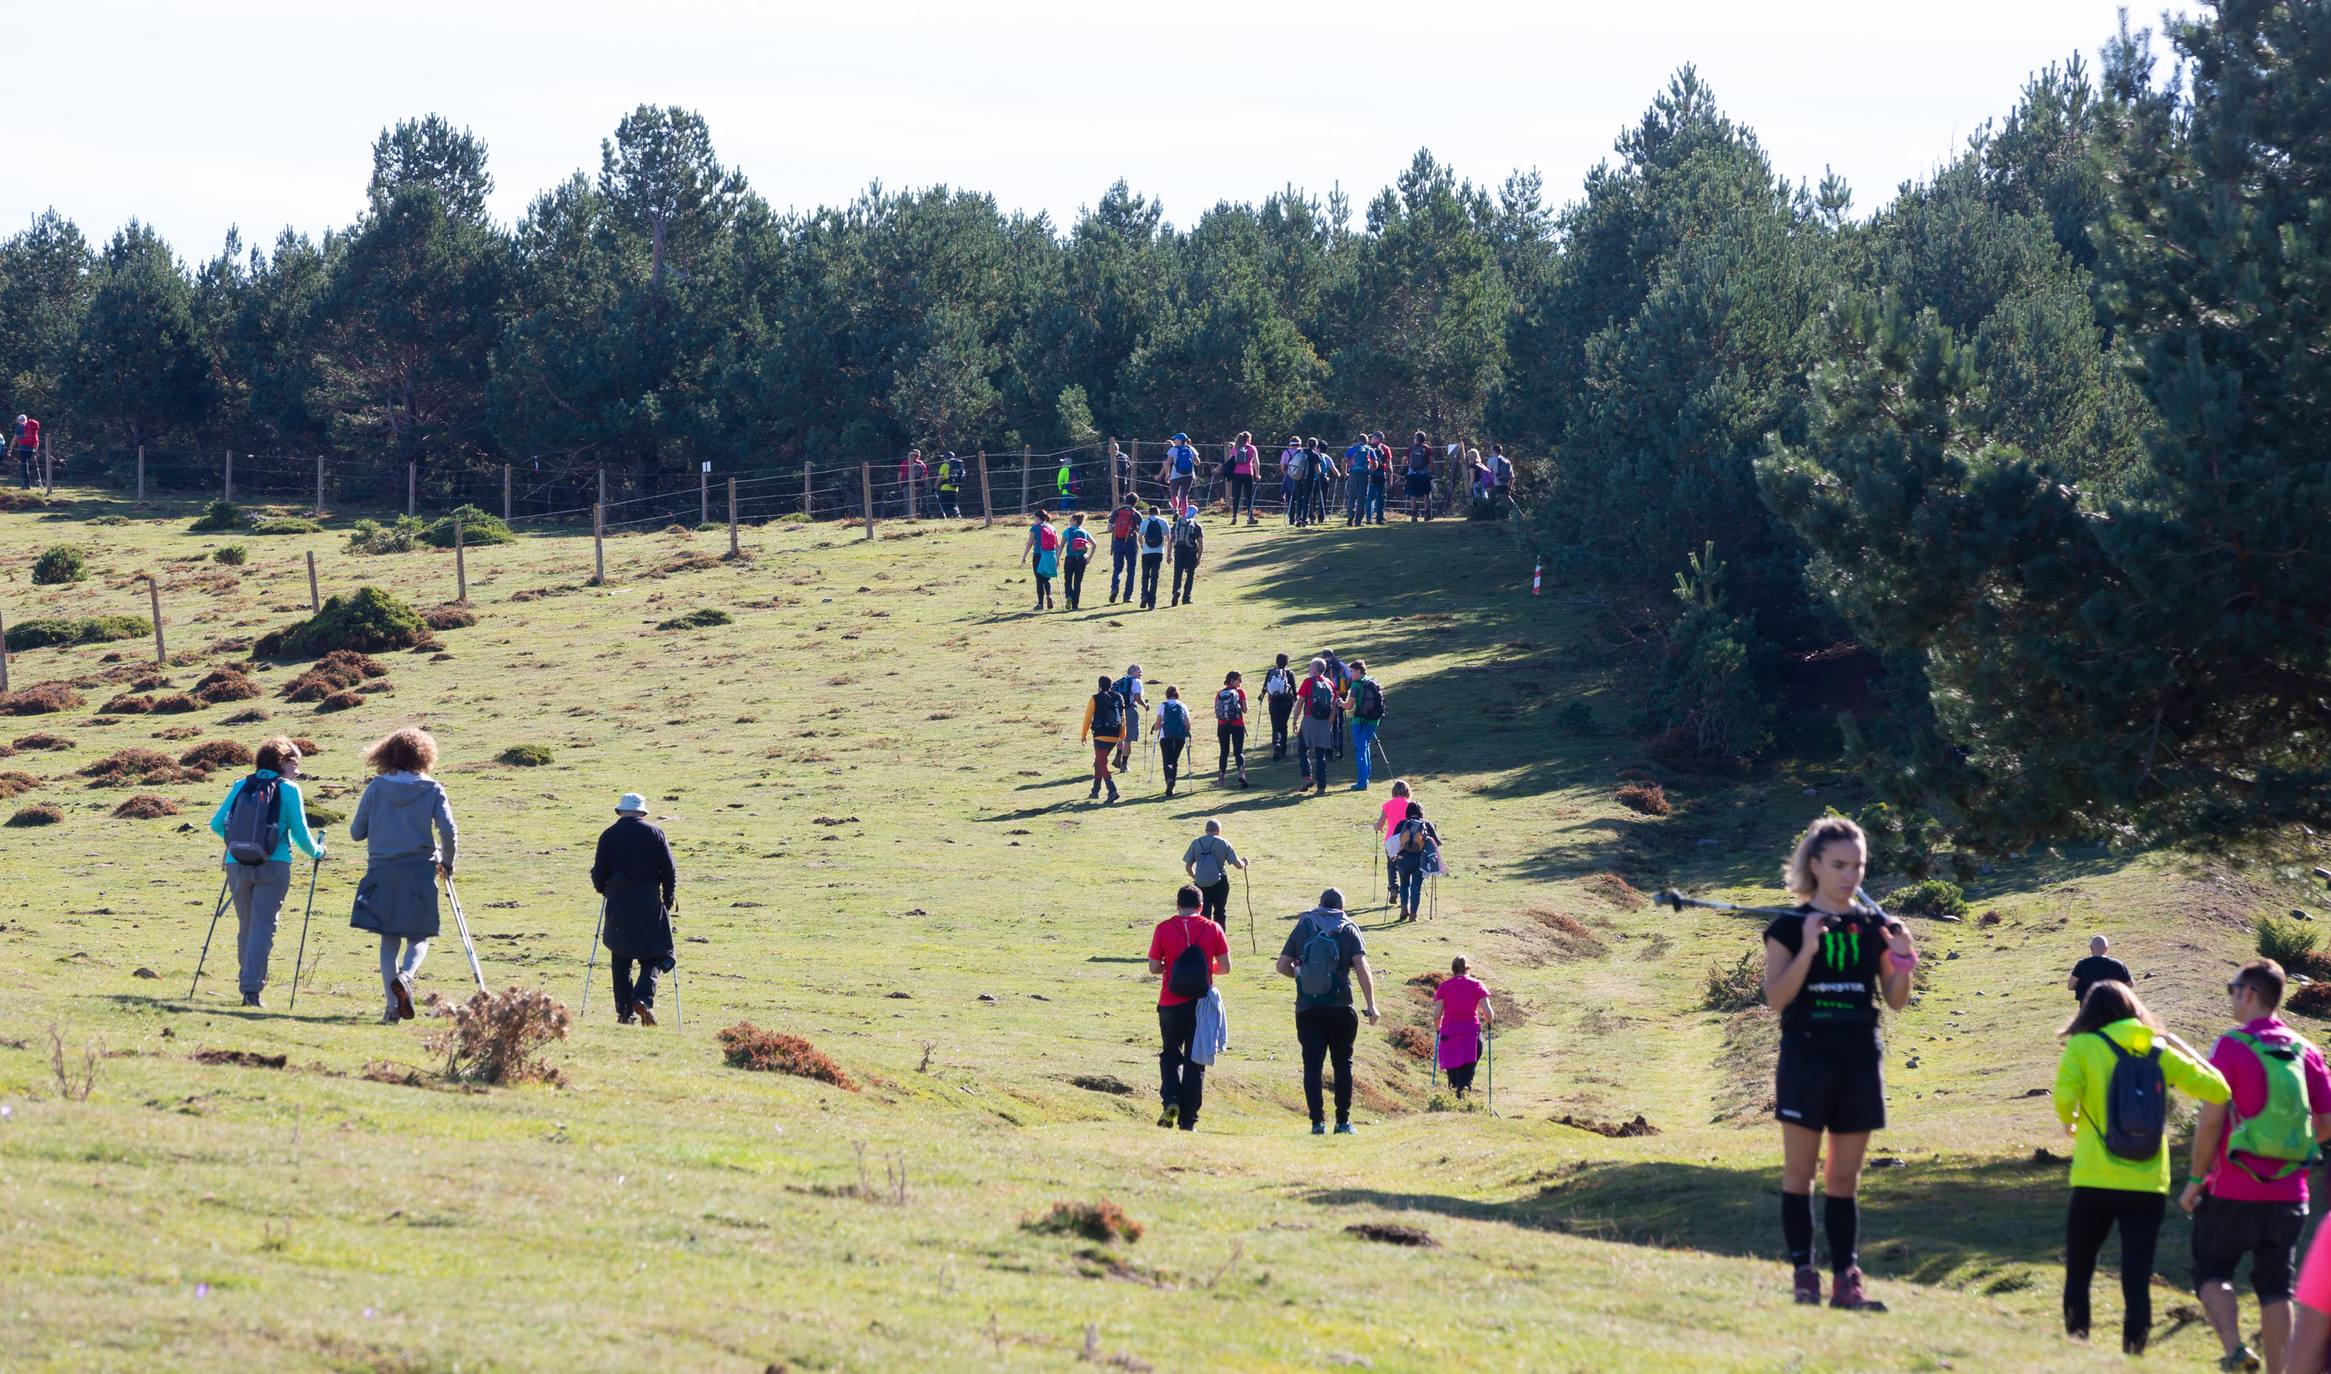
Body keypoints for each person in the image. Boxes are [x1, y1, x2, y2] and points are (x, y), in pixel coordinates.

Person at [1761, 814, 1915, 1310]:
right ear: (1815, 864)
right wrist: (1808, 947)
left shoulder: (1874, 927)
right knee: (1799, 1172)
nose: (1851, 876)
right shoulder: (1787, 927)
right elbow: (1776, 998)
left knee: (1844, 1178)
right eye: (1840, 865)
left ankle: (1847, 1279)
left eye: (1859, 866)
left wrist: (1904, 957)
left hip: (1858, 1057)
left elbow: (1894, 999)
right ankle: (1804, 1274)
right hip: (1807, 1055)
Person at [2053, 980, 2230, 1356]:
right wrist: (2183, 1051)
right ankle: (2134, 1355)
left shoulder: (2083, 1046)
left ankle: (2076, 1345)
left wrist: (2070, 1121)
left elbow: (2065, 1096)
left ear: (2089, 1013)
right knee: (2137, 1275)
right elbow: (2219, 1091)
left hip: (2093, 1177)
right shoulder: (2157, 1049)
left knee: (2080, 1268)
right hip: (2148, 1181)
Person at [2182, 959, 2331, 1373]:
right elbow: (2326, 1123)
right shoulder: (2308, 1051)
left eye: (2233, 988)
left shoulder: (2230, 1046)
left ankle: (2234, 1350)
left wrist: (2196, 1180)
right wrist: (2287, 1146)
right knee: (2276, 1287)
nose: (2231, 996)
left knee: (2212, 1273)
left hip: (2231, 1187)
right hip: (2289, 1193)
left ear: (2249, 992)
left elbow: (2211, 1119)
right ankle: (2279, 1369)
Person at [348, 728, 459, 1024]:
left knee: (389, 940)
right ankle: (406, 976)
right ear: (425, 756)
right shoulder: (433, 789)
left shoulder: (375, 787)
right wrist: (447, 862)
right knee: (419, 936)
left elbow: (356, 833)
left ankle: (391, 1009)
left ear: (387, 753)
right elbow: (448, 832)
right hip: (419, 870)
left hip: (382, 869)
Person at [205, 737, 325, 1008]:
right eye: (293, 763)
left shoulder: (241, 785)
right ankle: (251, 990)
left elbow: (216, 824)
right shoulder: (289, 789)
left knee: (246, 926)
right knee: (263, 927)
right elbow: (300, 833)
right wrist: (318, 851)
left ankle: (247, 982)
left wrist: (238, 841)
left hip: (237, 864)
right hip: (274, 865)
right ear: (280, 762)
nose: (297, 770)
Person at [1276, 888, 1380, 1135]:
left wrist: (1302, 977)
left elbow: (1282, 965)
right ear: (1342, 907)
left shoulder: (1304, 925)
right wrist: (1371, 1004)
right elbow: (1362, 968)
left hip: (1307, 1007)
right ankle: (1343, 1123)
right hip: (1341, 1007)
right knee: (1342, 1064)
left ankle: (1317, 1123)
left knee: (1312, 1066)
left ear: (1320, 904)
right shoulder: (1348, 928)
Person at [589, 793, 678, 1026]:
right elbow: (669, 871)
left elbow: (598, 873)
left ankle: (624, 1013)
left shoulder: (608, 835)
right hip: (648, 901)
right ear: (642, 812)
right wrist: (667, 900)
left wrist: (604, 890)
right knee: (656, 954)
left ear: (620, 812)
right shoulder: (655, 833)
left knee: (620, 958)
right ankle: (643, 998)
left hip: (618, 902)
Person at [1149, 884, 1231, 1130]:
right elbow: (1226, 967)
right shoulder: (1212, 928)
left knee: (1170, 1055)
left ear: (1177, 905)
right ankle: (1189, 1121)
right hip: (1201, 1005)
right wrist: (1206, 969)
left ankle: (1171, 1100)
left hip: (1170, 1003)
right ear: (1201, 906)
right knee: (1195, 1061)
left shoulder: (1163, 928)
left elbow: (1153, 967)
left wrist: (1172, 968)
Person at [1434, 956, 1493, 1097]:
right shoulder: (1477, 985)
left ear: (1453, 970)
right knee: (1466, 1074)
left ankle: (1451, 1107)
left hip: (1449, 1036)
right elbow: (1488, 1013)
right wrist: (1489, 1022)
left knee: (1453, 1077)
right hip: (1471, 1035)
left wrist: (1438, 1029)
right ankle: (1464, 1104)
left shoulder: (1444, 987)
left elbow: (1437, 1015)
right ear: (1468, 969)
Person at [1183, 819, 1246, 927]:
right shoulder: (1223, 842)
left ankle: (1203, 941)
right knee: (1220, 912)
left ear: (1206, 830)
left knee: (1203, 914)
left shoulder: (1196, 842)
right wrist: (1244, 862)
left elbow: (1188, 866)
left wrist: (1196, 877)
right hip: (1220, 883)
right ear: (1218, 831)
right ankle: (1219, 939)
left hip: (1200, 884)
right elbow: (1238, 865)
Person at [1077, 675, 1126, 804]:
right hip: (1114, 736)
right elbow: (1123, 718)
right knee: (1099, 761)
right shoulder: (1118, 697)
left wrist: (1083, 735)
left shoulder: (1095, 698)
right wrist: (1122, 736)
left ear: (1099, 685)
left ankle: (1112, 790)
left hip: (1100, 735)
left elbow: (1088, 717)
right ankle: (1095, 791)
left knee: (1102, 763)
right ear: (1110, 685)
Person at [1391, 801, 1441, 921]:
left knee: (1404, 884)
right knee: (1416, 886)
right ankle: (1413, 915)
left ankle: (1404, 908)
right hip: (1420, 860)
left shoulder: (1402, 824)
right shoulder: (1427, 824)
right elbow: (1436, 843)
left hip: (1403, 860)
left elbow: (1394, 842)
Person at [1296, 657, 1339, 793]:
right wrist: (1329, 723)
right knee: (1321, 755)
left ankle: (1307, 777)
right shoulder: (1330, 683)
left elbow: (1300, 702)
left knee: (1303, 749)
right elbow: (1334, 706)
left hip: (1309, 720)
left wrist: (1294, 721)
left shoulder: (1308, 682)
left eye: (1310, 666)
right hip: (1324, 722)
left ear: (1315, 669)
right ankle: (1322, 786)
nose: (1309, 668)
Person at [1346, 659, 1385, 790]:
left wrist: (1339, 703)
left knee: (1360, 751)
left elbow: (1349, 706)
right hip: (1374, 720)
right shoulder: (1371, 680)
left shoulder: (1356, 685)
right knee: (1366, 747)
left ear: (1358, 671)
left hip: (1360, 721)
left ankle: (1362, 782)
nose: (1350, 674)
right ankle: (1366, 778)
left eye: (1352, 671)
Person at [1378, 780, 1416, 908]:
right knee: (1406, 867)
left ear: (1394, 791)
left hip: (1391, 841)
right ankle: (1406, 897)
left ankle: (1393, 888)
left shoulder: (1387, 805)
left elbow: (1380, 825)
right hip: (1407, 840)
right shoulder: (1410, 805)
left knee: (1391, 866)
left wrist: (1376, 827)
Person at [1213, 671, 1251, 787]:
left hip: (1222, 726)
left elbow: (1216, 712)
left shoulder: (1219, 693)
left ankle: (1221, 777)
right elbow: (1245, 709)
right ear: (1232, 680)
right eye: (1239, 679)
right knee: (1238, 752)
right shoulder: (1240, 692)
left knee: (1224, 752)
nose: (1240, 682)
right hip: (1237, 725)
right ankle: (1241, 773)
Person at [2068, 935, 2132, 1003]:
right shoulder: (2117, 964)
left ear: (2091, 948)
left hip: (2089, 1009)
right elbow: (2130, 984)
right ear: (2106, 948)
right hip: (2112, 1008)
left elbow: (2070, 986)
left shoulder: (2082, 964)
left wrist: (2081, 988)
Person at [1155, 685, 1192, 797]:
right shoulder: (1182, 705)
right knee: (1174, 761)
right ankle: (1172, 784)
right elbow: (1187, 726)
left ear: (1167, 694)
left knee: (1167, 761)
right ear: (1177, 694)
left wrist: (1159, 725)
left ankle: (1169, 781)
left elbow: (1157, 726)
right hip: (1180, 738)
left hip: (1165, 738)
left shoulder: (1163, 705)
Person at [1112, 664, 1147, 772]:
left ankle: (1118, 757)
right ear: (1134, 671)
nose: (1141, 673)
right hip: (1130, 710)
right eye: (1139, 671)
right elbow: (1137, 697)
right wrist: (1145, 706)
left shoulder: (1120, 681)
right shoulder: (1136, 682)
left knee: (1120, 735)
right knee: (1128, 738)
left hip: (1117, 711)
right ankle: (1124, 764)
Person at [1021, 509, 1059, 610]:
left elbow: (1030, 543)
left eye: (1034, 518)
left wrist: (1024, 556)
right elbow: (1057, 544)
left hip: (1038, 555)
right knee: (1047, 578)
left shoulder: (1035, 528)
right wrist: (1057, 558)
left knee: (1039, 580)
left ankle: (1040, 604)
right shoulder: (1052, 527)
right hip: (1050, 556)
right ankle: (1049, 594)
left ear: (1038, 518)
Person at [1263, 654, 1297, 762]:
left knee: (1275, 725)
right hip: (1286, 702)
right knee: (1283, 725)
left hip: (1273, 701)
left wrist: (1262, 696)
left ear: (1276, 661)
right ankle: (1283, 750)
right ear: (1287, 662)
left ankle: (1276, 744)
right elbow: (1294, 689)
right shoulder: (1290, 673)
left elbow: (1265, 686)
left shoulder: (1270, 672)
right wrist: (1295, 699)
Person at [1108, 495, 1141, 604]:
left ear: (1125, 501)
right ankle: (1127, 596)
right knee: (1131, 570)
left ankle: (1114, 589)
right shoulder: (1136, 514)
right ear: (1135, 502)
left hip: (1117, 542)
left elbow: (1109, 528)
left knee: (1117, 569)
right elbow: (1141, 530)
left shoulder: (1117, 512)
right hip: (1131, 543)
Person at [1137, 504, 1170, 610]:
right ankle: (1152, 603)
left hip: (1146, 552)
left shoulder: (1144, 521)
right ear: (1158, 512)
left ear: (1149, 512)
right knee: (1154, 577)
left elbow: (1140, 537)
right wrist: (1168, 553)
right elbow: (1169, 538)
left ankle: (1144, 595)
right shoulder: (1163, 521)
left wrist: (1143, 546)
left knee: (1145, 576)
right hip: (1158, 552)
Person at [1168, 508, 1203, 606]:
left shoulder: (1177, 524)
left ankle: (1176, 591)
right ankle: (1186, 598)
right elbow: (1200, 544)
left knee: (1177, 574)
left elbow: (1170, 541)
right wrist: (1199, 558)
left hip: (1178, 551)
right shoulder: (1196, 525)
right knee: (1190, 575)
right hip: (1191, 553)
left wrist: (1169, 555)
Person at [1061, 513, 1095, 610]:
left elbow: (1061, 545)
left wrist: (1058, 558)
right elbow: (1094, 544)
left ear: (1074, 521)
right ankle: (1075, 605)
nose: (1069, 522)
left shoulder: (1067, 531)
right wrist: (1089, 558)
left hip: (1069, 559)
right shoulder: (1084, 532)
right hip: (1081, 560)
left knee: (1067, 580)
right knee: (1077, 582)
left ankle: (1069, 596)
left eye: (1070, 520)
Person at [1159, 432, 1199, 515]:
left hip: (1175, 475)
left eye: (1176, 439)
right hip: (1189, 475)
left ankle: (1175, 510)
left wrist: (1167, 475)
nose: (1174, 440)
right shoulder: (1191, 448)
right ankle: (1184, 515)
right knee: (1184, 496)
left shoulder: (1173, 449)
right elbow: (1198, 462)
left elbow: (1167, 463)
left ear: (1180, 440)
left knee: (1174, 494)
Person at [1227, 430, 1259, 524]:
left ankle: (1234, 517)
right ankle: (1250, 517)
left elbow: (1230, 461)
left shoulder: (1235, 448)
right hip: (1248, 474)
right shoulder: (1252, 448)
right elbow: (1256, 462)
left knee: (1236, 496)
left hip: (1236, 474)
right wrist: (1257, 474)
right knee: (1249, 496)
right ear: (1248, 439)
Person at [1404, 432, 1436, 521]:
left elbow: (1404, 461)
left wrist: (1406, 468)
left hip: (1412, 475)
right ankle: (1427, 515)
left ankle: (1414, 516)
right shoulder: (1427, 449)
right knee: (1426, 494)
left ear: (1416, 439)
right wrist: (1431, 473)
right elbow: (1432, 463)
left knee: (1413, 495)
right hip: (1424, 474)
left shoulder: (1410, 449)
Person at [1343, 435, 1374, 525]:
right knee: (1362, 498)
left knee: (1351, 497)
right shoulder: (1369, 449)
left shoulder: (1351, 449)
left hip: (1353, 475)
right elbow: (1375, 463)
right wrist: (1370, 471)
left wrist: (1345, 472)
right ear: (1366, 441)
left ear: (1357, 440)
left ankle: (1350, 517)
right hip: (1364, 476)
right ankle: (1358, 520)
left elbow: (1344, 461)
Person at [1367, 432, 1393, 524]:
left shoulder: (1368, 448)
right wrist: (1390, 479)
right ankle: (1379, 518)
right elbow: (1389, 464)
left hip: (1371, 474)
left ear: (1377, 438)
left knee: (1370, 497)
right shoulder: (1385, 449)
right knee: (1380, 497)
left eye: (1372, 437)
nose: (1371, 439)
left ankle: (1368, 519)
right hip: (1381, 474)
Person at [897, 448, 930, 519]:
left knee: (908, 502)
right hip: (919, 486)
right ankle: (916, 517)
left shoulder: (905, 463)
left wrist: (900, 485)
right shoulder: (921, 463)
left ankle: (911, 517)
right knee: (917, 502)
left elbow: (900, 475)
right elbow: (926, 476)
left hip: (907, 485)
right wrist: (925, 484)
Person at [1278, 435, 1303, 523]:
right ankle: (1299, 516)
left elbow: (1282, 466)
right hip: (1300, 478)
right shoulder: (1302, 452)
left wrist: (1287, 474)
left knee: (1290, 499)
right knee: (1300, 497)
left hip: (1289, 477)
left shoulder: (1286, 453)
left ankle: (1291, 518)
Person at [9, 414, 36, 488]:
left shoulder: (20, 427)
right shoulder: (31, 427)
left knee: (24, 466)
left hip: (23, 449)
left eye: (18, 420)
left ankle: (26, 485)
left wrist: (10, 449)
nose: (18, 422)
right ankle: (27, 483)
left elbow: (14, 439)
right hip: (31, 449)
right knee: (27, 466)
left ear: (20, 420)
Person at [935, 450, 964, 518]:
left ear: (946, 458)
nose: (943, 459)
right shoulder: (957, 466)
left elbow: (939, 478)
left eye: (944, 458)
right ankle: (957, 516)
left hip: (945, 488)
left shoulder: (944, 465)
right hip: (955, 488)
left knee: (944, 505)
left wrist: (935, 487)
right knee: (954, 504)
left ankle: (946, 518)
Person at [1487, 443, 1514, 513]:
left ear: (1493, 451)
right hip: (1505, 484)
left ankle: (1496, 518)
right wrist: (1509, 487)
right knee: (1507, 502)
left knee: (1496, 504)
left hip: (1496, 484)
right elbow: (1512, 476)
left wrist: (1488, 486)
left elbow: (1488, 474)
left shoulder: (1491, 460)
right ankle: (1517, 515)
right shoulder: (1507, 461)